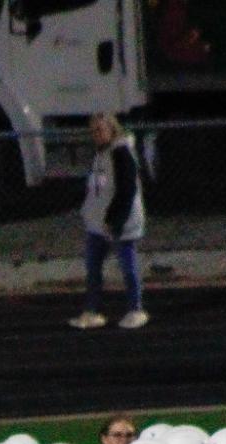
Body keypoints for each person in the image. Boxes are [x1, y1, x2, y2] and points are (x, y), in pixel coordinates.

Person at [69, 112, 147, 331]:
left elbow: (127, 189)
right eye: (93, 131)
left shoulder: (121, 154)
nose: (96, 135)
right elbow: (97, 190)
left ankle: (136, 309)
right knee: (93, 268)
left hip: (118, 223)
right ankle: (93, 311)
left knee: (127, 267)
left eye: (100, 130)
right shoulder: (100, 155)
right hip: (98, 224)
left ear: (112, 130)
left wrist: (114, 219)